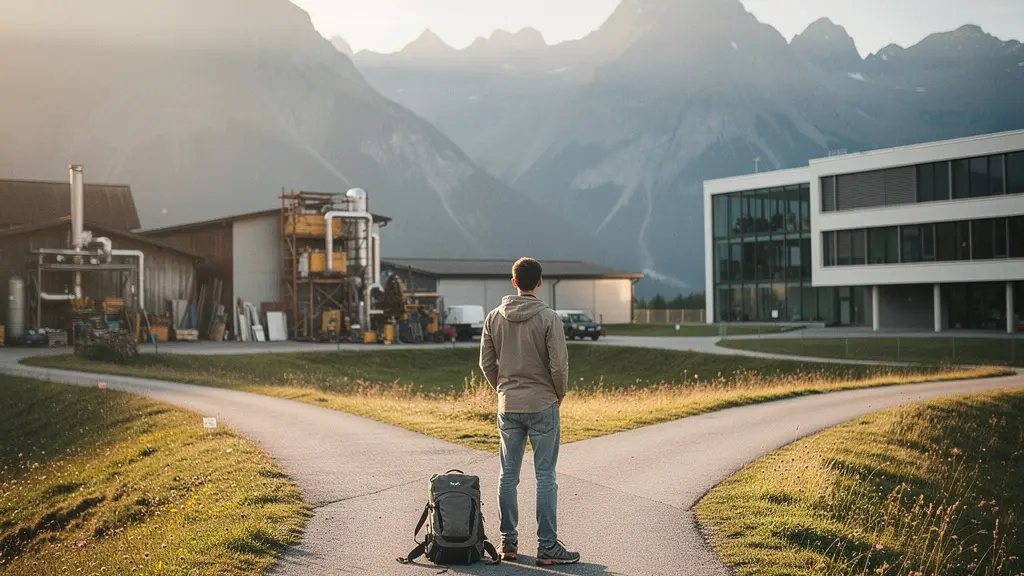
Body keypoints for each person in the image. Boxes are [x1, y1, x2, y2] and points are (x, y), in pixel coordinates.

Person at [479, 257, 580, 566]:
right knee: (545, 475)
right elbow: (558, 364)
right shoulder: (549, 318)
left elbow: (486, 363)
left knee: (508, 474)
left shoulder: (494, 317)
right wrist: (558, 394)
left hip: (508, 405)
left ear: (514, 282)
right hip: (542, 403)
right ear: (539, 282)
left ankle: (508, 543)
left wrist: (503, 389)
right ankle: (547, 546)